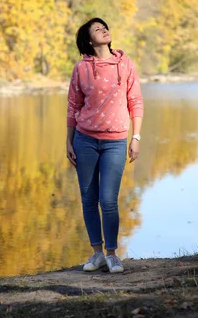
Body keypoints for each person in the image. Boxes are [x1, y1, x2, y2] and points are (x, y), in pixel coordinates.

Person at [66, 17, 144, 274]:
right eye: (97, 29)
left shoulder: (126, 64)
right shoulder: (81, 69)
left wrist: (136, 137)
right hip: (84, 139)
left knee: (108, 200)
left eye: (104, 26)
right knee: (89, 199)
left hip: (115, 141)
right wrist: (69, 140)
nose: (104, 30)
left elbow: (136, 101)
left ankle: (112, 255)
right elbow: (73, 106)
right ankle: (97, 253)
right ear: (89, 40)